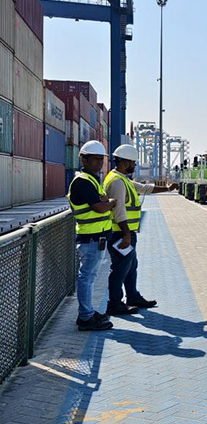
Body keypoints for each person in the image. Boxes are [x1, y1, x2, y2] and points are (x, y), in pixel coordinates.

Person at [102, 144, 178, 315]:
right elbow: (119, 210)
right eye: (133, 163)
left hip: (125, 233)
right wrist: (127, 235)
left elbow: (145, 188)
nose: (135, 166)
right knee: (119, 269)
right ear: (125, 162)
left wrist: (167, 188)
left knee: (131, 266)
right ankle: (114, 303)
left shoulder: (122, 179)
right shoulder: (117, 183)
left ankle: (132, 296)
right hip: (120, 234)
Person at [67, 141, 117, 331]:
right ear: (84, 159)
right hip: (91, 239)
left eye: (101, 159)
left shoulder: (92, 180)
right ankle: (86, 317)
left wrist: (106, 202)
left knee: (89, 276)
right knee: (87, 277)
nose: (99, 163)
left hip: (96, 238)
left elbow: (101, 202)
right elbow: (100, 206)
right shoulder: (83, 182)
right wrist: (111, 202)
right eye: (95, 159)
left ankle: (87, 313)